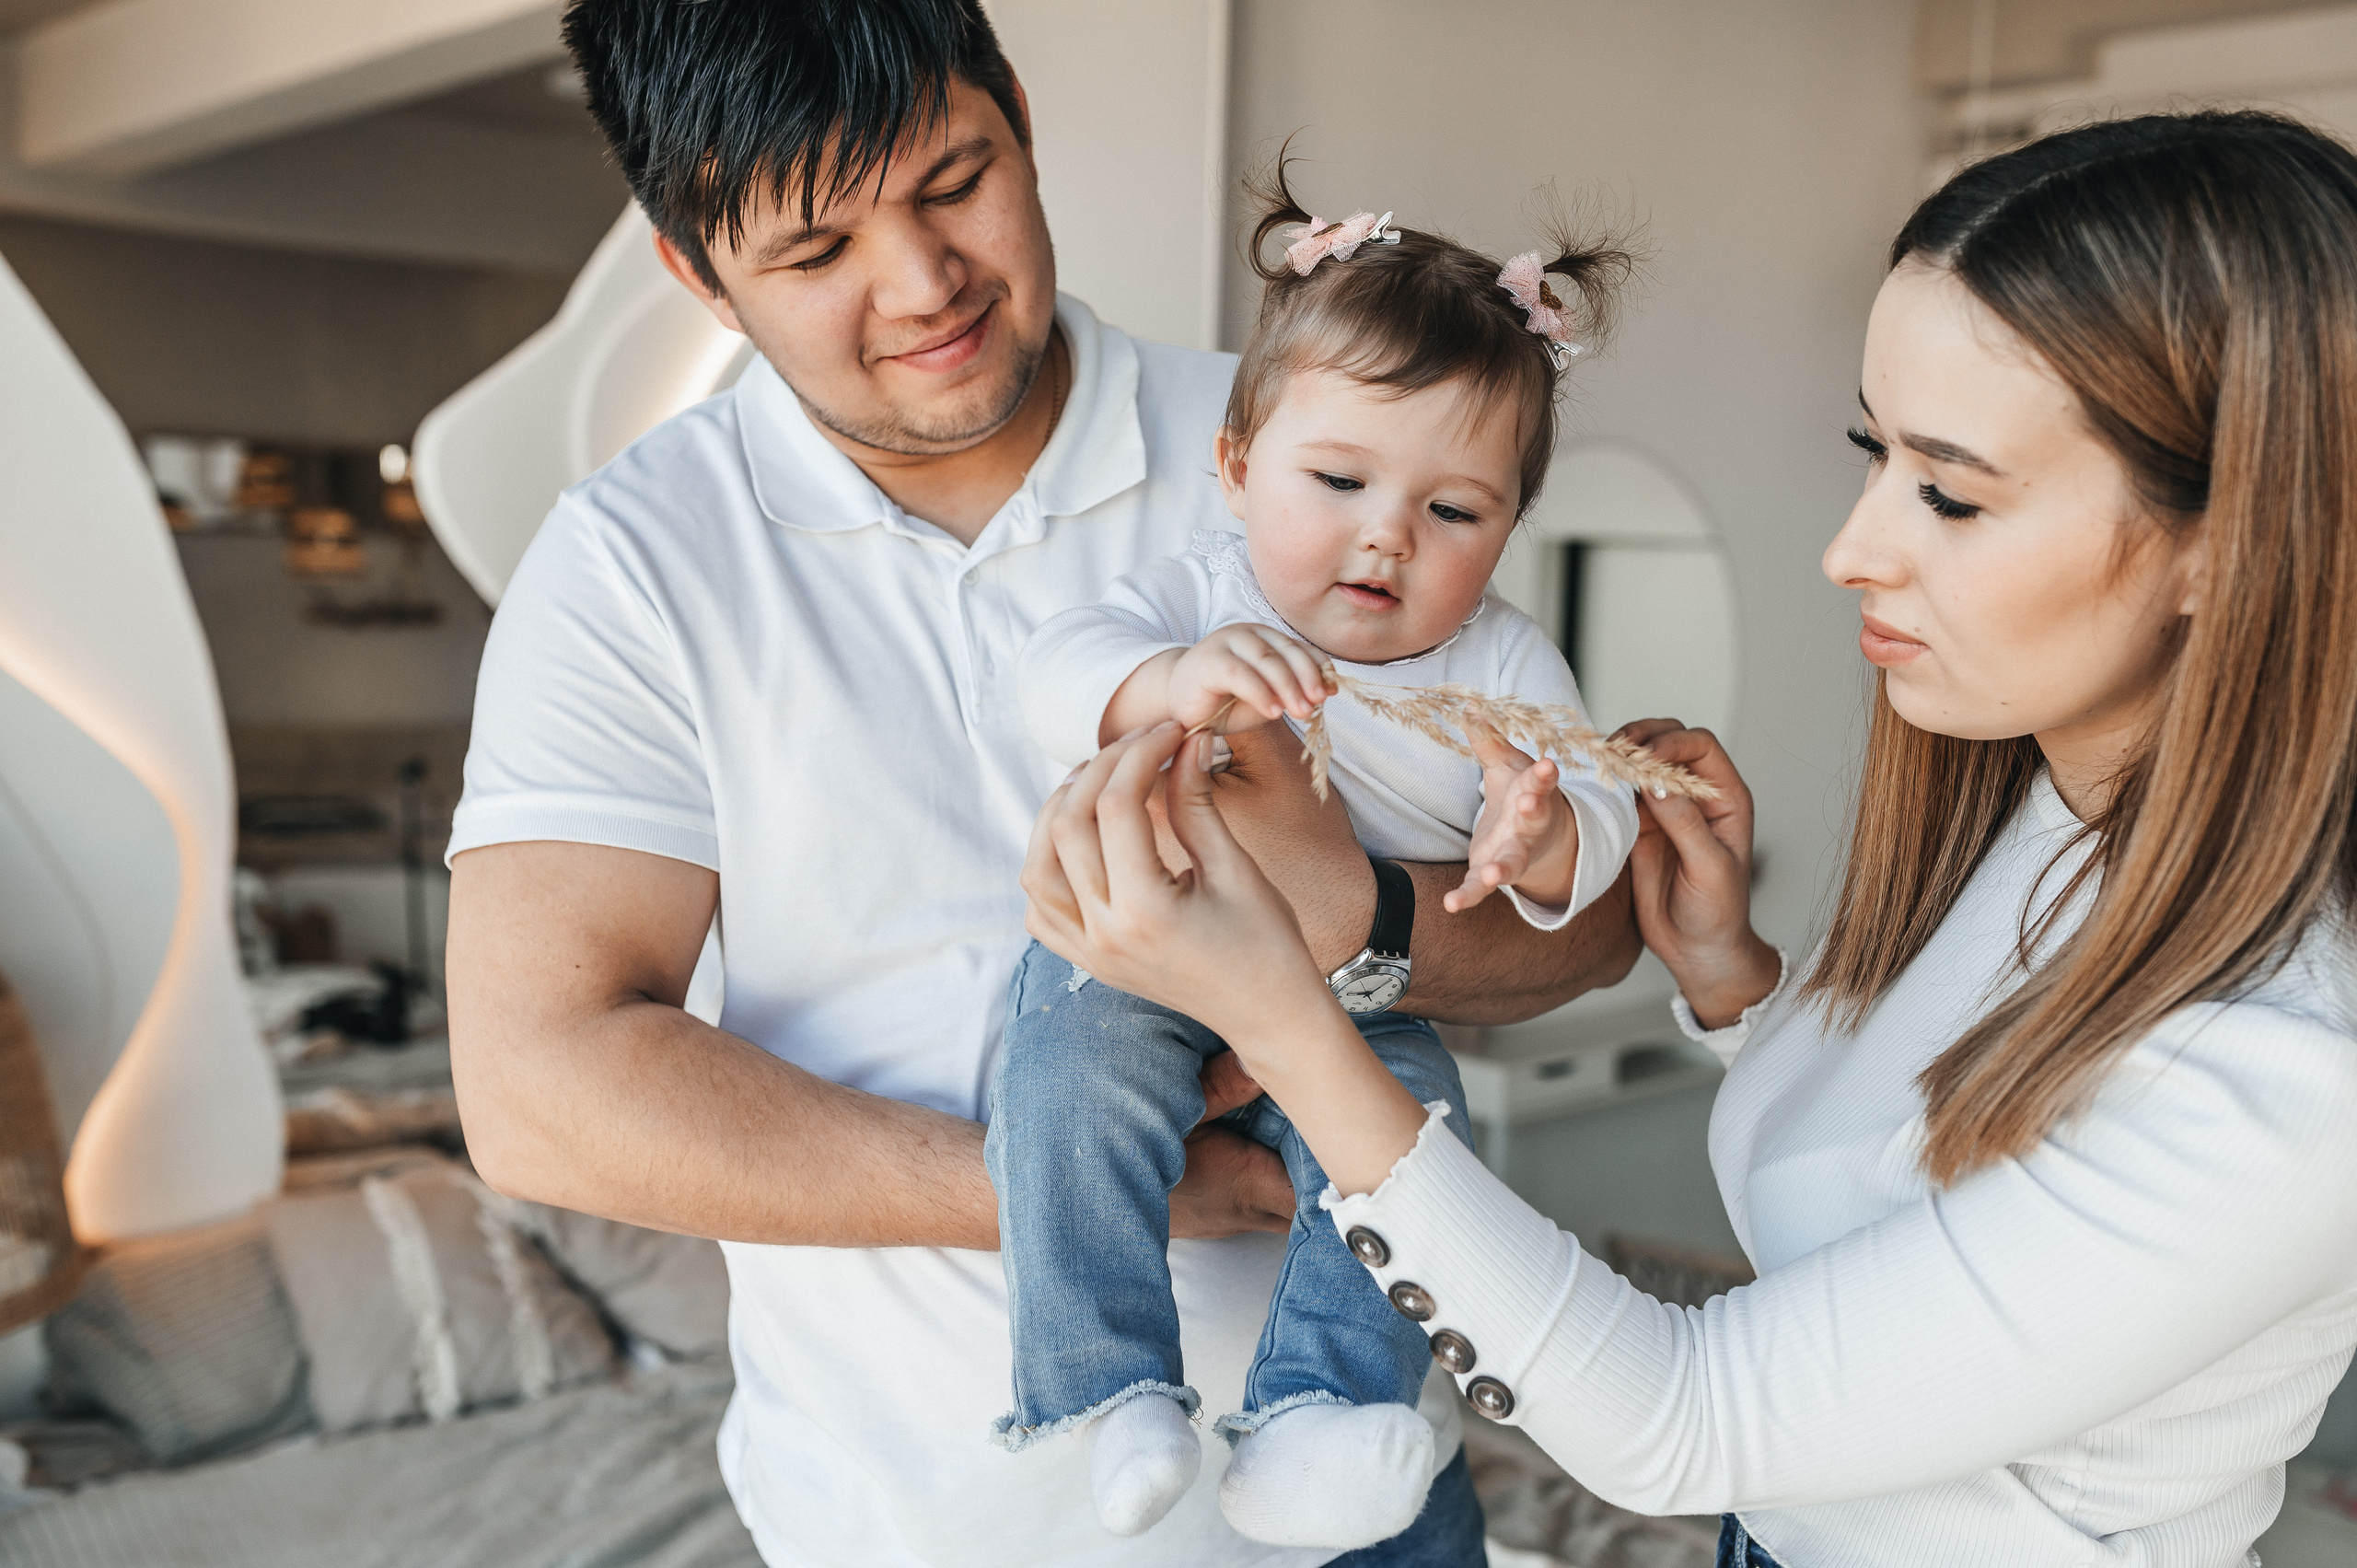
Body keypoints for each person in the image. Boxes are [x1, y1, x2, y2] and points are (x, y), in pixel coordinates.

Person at [1017, 110, 2357, 1568]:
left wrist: (1277, 1009)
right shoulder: (2052, 810)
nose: (1852, 547)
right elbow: (1868, 1218)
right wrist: (1736, 985)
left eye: (1950, 491)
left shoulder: (2301, 1076)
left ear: (2233, 546)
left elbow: (1687, 1414)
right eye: (1873, 454)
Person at [443, 3, 1638, 1566]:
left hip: (1377, 1514)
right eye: (816, 253)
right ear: (696, 270)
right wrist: (1120, 1188)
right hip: (923, 1525)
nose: (924, 285)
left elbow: (1588, 938)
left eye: (955, 181)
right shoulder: (637, 567)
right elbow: (543, 1096)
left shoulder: (1312, 452)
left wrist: (1361, 910)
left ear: (1014, 109)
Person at [987, 182, 1642, 1550]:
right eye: (1338, 481)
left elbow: (1597, 815)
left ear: (1511, 527)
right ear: (1237, 467)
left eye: (1456, 510)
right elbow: (1046, 676)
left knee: (1411, 1151)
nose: (1388, 534)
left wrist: (1549, 831)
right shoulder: (1197, 595)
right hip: (1136, 961)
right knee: (1058, 1088)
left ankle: (1317, 1418)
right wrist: (1166, 676)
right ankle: (1108, 1389)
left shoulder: (1501, 665)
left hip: (1357, 1007)